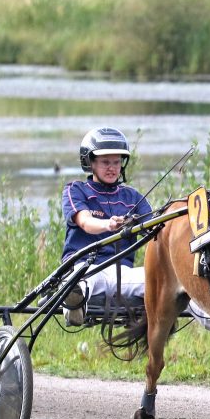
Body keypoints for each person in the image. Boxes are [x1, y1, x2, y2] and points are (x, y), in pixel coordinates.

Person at [61, 127, 151, 326]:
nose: (112, 168)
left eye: (116, 162)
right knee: (79, 282)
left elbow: (154, 229)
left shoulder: (133, 197)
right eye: (105, 162)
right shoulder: (76, 190)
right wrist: (108, 225)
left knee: (156, 278)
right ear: (90, 163)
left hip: (123, 273)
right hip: (86, 266)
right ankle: (74, 302)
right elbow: (85, 221)